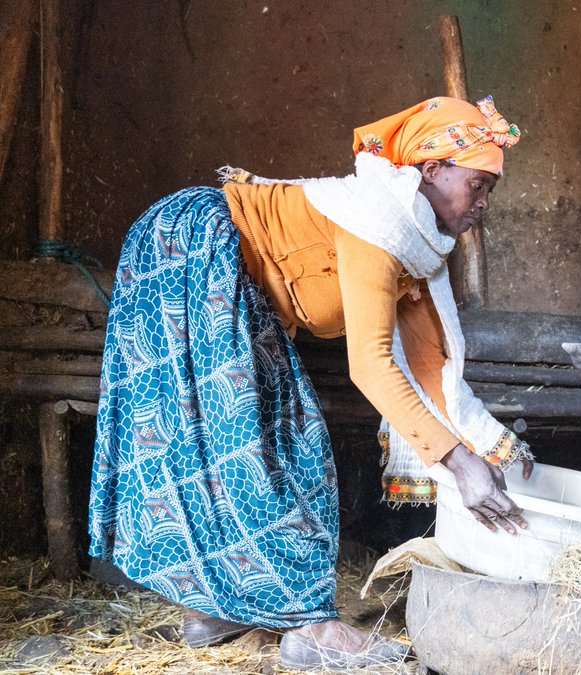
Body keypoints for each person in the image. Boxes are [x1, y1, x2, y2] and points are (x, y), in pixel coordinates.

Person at [88, 95, 533, 669]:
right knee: (282, 443)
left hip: (199, 257)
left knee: (236, 442)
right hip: (192, 244)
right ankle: (314, 627)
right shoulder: (377, 225)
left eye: (490, 190)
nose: (484, 205)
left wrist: (493, 445)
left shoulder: (417, 248)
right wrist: (458, 464)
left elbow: (432, 367)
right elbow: (371, 365)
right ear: (431, 170)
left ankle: (225, 603)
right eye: (477, 185)